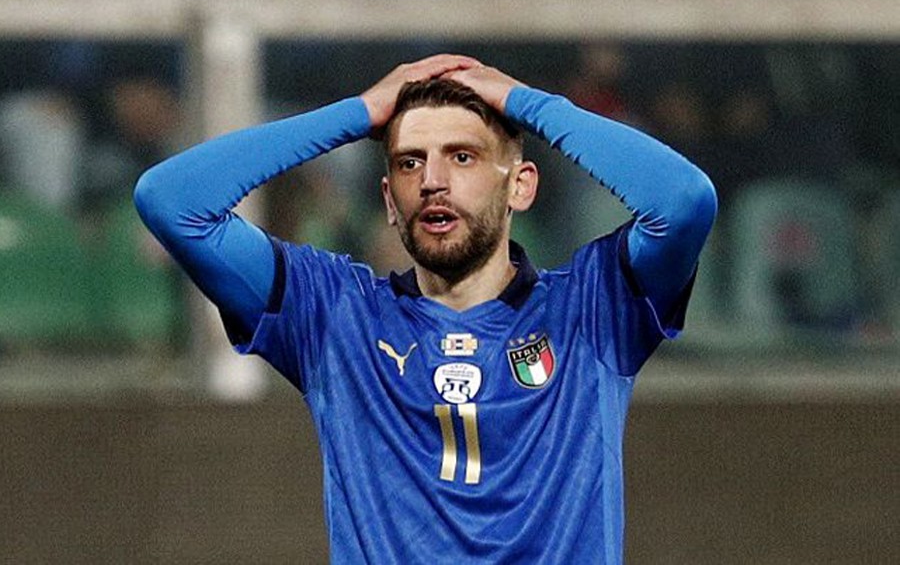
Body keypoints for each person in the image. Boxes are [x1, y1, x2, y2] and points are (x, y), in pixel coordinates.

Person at [134, 54, 717, 564]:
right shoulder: (335, 316)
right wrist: (360, 111)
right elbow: (173, 202)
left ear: (520, 186)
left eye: (462, 157)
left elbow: (683, 201)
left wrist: (527, 103)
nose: (433, 181)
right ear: (389, 199)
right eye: (410, 162)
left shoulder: (592, 309)